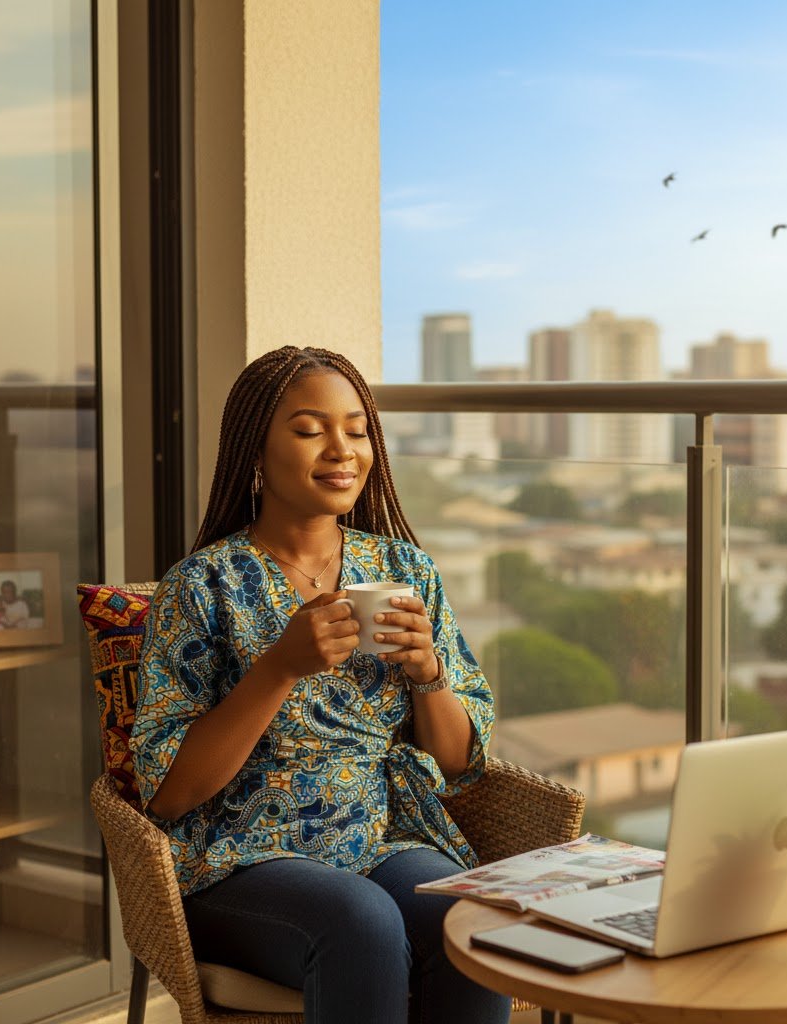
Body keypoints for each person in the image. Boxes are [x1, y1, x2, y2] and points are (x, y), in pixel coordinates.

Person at [131, 346, 510, 1024]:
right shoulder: (201, 585)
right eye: (310, 430)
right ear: (255, 448)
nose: (342, 449)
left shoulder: (403, 568)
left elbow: (459, 763)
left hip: (378, 837)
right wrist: (278, 668)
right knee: (360, 923)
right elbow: (168, 792)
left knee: (470, 915)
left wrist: (430, 675)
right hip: (238, 858)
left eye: (357, 429)